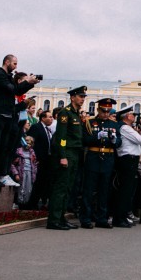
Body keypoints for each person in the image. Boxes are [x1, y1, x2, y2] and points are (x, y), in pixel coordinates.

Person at [0, 54, 40, 187]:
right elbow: (13, 90)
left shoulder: (8, 77)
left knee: (4, 147)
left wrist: (29, 83)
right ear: (7, 62)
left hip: (7, 116)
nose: (16, 66)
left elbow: (16, 91)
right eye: (14, 63)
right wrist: (27, 83)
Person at [47, 86, 88, 230]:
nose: (83, 99)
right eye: (80, 96)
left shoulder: (76, 114)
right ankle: (54, 220)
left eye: (84, 97)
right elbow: (61, 137)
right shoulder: (66, 113)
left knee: (69, 188)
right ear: (72, 97)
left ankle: (61, 218)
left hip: (75, 154)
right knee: (61, 188)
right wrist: (63, 156)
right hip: (67, 153)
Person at [80, 98, 119, 228]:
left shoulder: (114, 124)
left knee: (104, 191)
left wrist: (114, 141)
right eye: (104, 111)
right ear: (98, 110)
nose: (106, 113)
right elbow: (84, 140)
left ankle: (101, 218)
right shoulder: (89, 122)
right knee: (89, 190)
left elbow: (119, 143)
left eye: (108, 111)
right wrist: (96, 137)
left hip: (107, 158)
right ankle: (85, 218)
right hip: (93, 158)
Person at [112, 107, 141, 228]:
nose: (134, 116)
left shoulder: (127, 128)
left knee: (128, 190)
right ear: (127, 116)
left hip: (131, 159)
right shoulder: (124, 128)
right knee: (125, 190)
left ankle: (123, 216)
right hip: (127, 159)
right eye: (132, 114)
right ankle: (119, 218)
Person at [26, 107, 55, 210]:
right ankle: (30, 204)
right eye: (50, 117)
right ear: (43, 118)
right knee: (36, 182)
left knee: (42, 182)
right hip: (38, 160)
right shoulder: (36, 127)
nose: (52, 119)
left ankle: (35, 203)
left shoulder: (47, 129)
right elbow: (31, 143)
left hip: (46, 161)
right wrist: (34, 158)